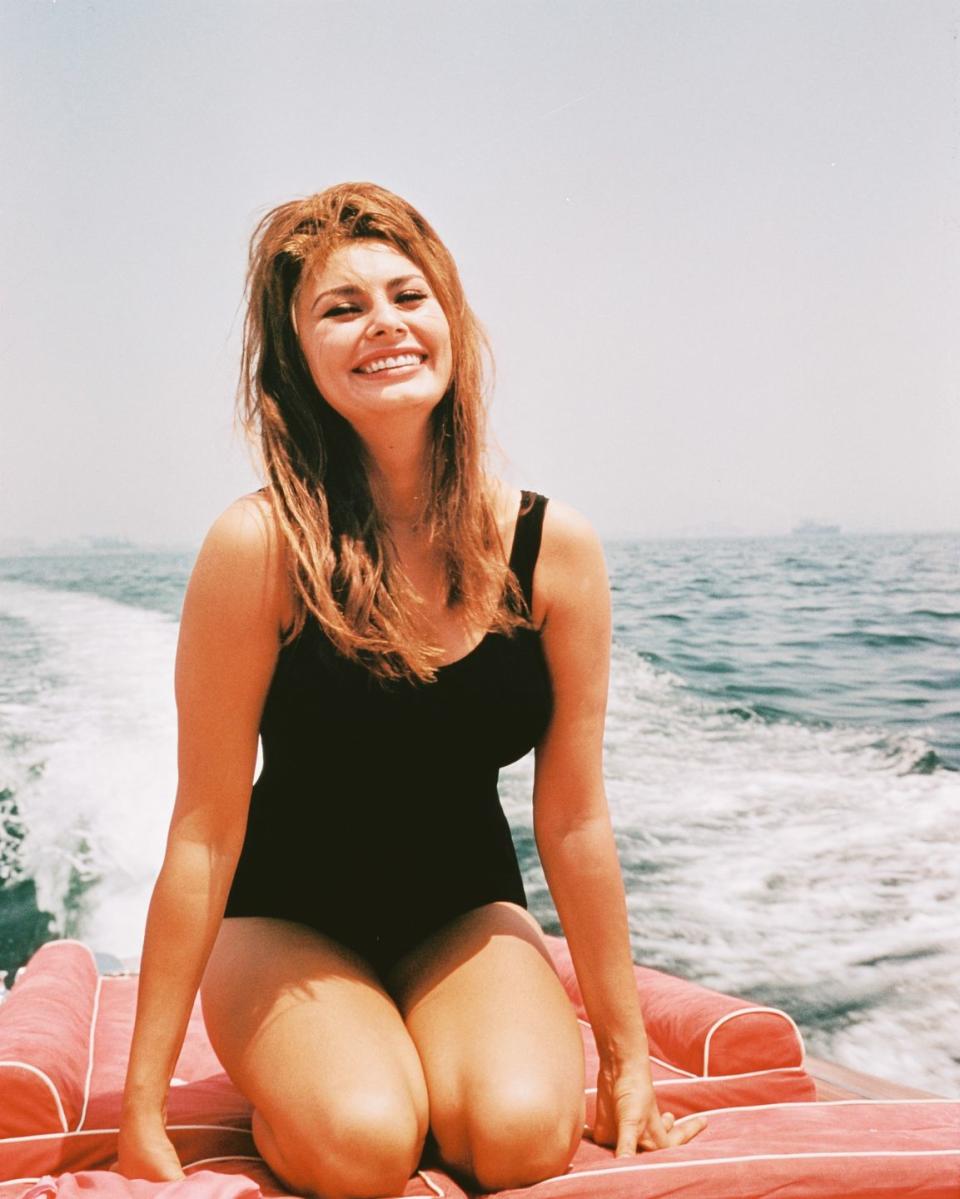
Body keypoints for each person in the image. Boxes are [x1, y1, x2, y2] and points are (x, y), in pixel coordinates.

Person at [116, 182, 706, 1199]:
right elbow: (204, 830)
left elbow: (572, 820)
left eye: (407, 294)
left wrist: (626, 1058)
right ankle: (329, 1069)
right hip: (286, 922)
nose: (383, 324)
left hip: (466, 912)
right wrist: (139, 1107)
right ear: (295, 356)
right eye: (341, 308)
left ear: (450, 319)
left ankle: (413, 1044)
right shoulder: (258, 550)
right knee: (364, 1141)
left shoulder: (550, 549)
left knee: (522, 1137)